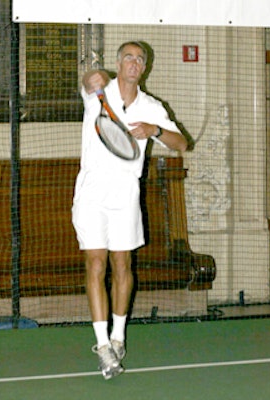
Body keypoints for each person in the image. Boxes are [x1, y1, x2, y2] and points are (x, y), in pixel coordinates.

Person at [72, 41, 187, 380]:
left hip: (126, 193)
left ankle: (118, 337)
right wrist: (95, 76)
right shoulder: (98, 94)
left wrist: (155, 130)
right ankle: (102, 347)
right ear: (119, 64)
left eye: (140, 59)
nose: (134, 63)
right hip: (92, 191)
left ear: (145, 67)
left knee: (122, 263)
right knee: (95, 261)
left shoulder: (152, 106)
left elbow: (182, 143)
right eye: (128, 58)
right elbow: (88, 78)